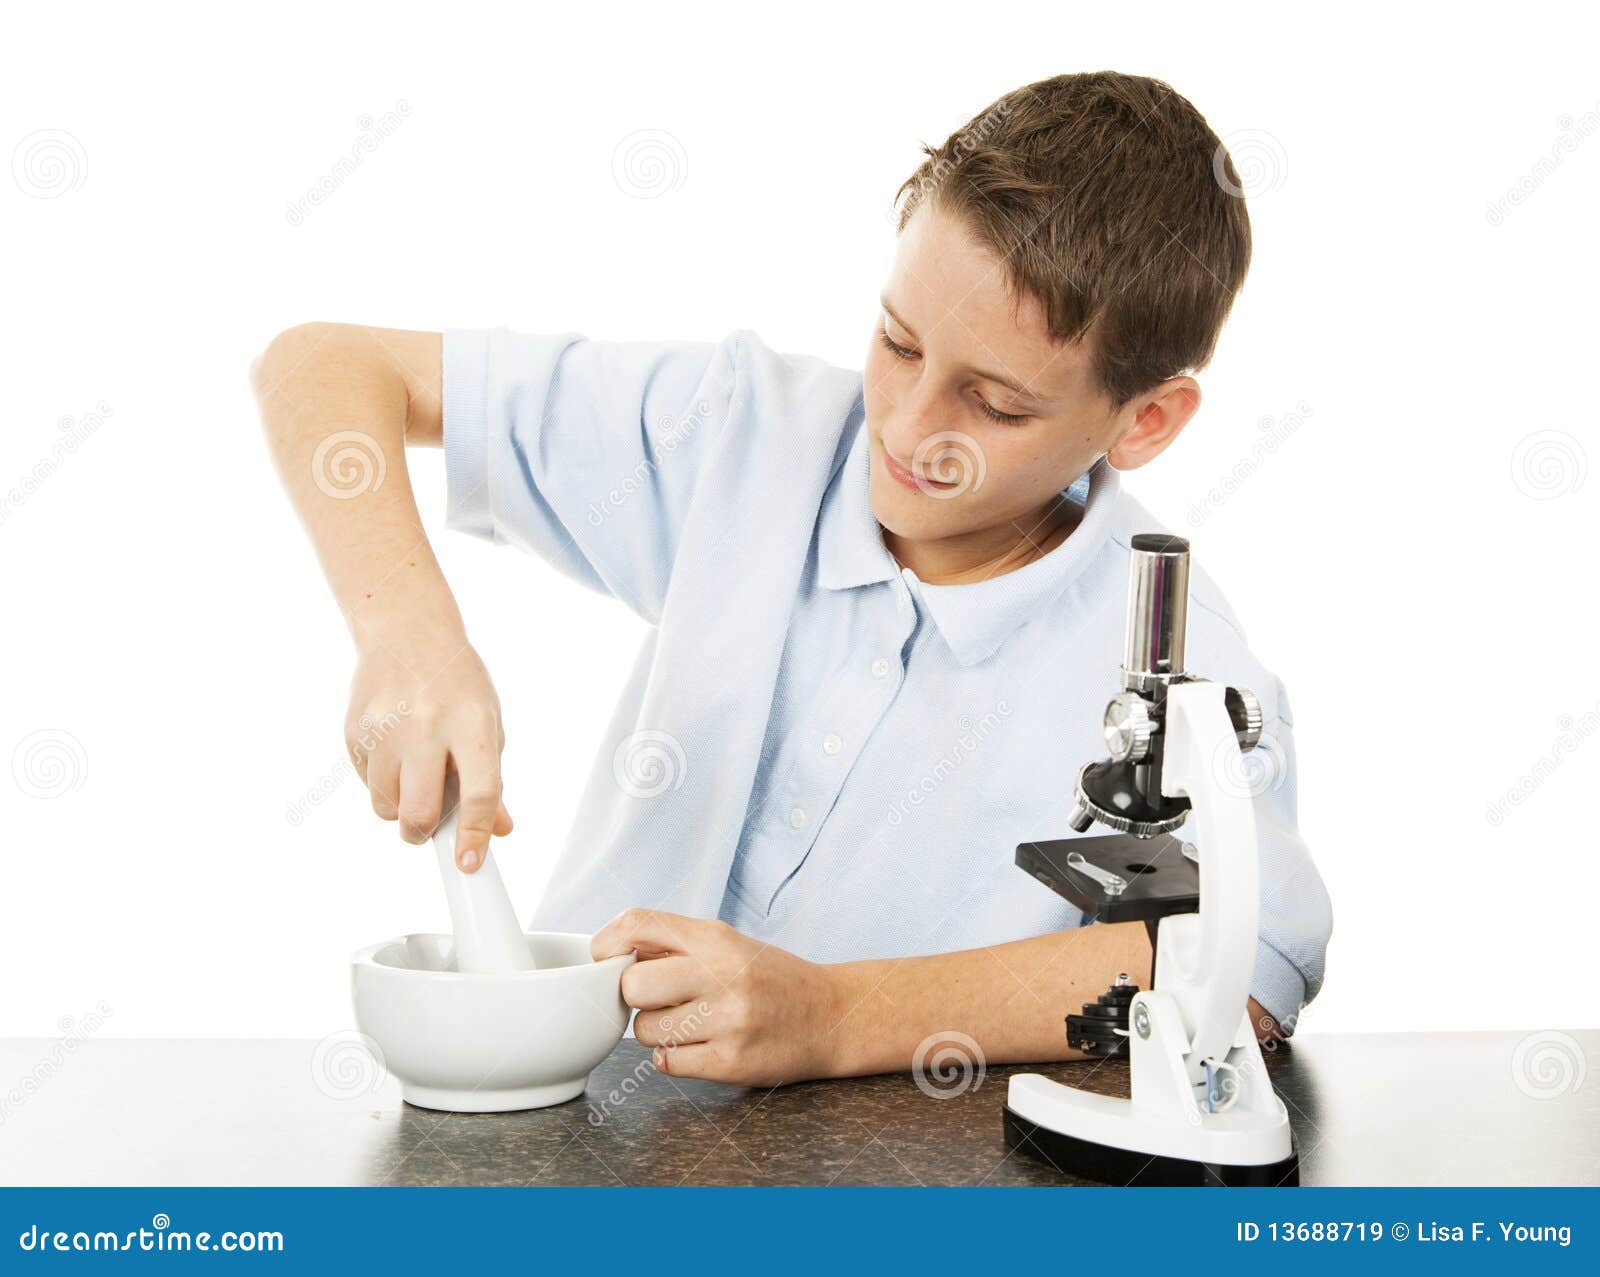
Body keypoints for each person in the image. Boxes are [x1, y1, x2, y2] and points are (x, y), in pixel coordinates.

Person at [252, 71, 1332, 1087]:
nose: (907, 429)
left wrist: (837, 1014)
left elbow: (1244, 969)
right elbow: (324, 365)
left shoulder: (1176, 664)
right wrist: (410, 633)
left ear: (1144, 419)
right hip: (570, 1135)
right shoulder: (745, 438)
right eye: (898, 343)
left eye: (995, 405)